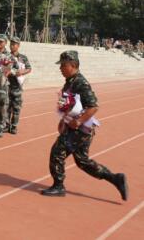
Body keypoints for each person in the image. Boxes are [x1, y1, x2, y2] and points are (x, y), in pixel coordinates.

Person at [41, 51, 128, 201]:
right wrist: (64, 120)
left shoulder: (80, 82)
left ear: (73, 65)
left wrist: (79, 121)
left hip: (81, 129)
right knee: (83, 162)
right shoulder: (70, 81)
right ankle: (115, 178)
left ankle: (58, 186)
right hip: (78, 128)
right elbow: (70, 105)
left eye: (63, 65)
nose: (60, 68)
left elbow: (93, 106)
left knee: (57, 152)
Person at [6, 37, 32, 134]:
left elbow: (29, 68)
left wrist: (22, 72)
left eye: (15, 44)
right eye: (11, 44)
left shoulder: (23, 57)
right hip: (7, 85)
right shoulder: (7, 56)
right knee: (7, 107)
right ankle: (6, 125)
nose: (12, 46)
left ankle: (14, 126)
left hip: (17, 87)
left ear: (18, 45)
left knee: (16, 108)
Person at [0, 34, 10, 137]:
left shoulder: (8, 55)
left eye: (2, 41)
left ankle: (1, 127)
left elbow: (9, 69)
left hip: (2, 84)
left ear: (5, 43)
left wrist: (2, 71)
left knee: (2, 106)